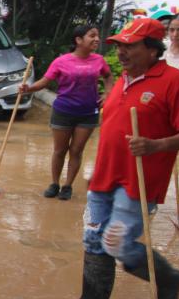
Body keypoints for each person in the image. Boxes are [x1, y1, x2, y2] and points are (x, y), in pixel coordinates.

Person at [50, 17, 179, 299]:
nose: (121, 52)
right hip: (105, 175)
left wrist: (156, 145)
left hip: (140, 179)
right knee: (94, 237)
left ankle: (169, 278)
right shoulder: (122, 80)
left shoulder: (175, 82)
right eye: (119, 46)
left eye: (129, 46)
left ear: (152, 50)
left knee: (117, 241)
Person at [20, 25, 114, 201]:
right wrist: (28, 88)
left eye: (97, 36)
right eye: (92, 36)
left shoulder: (99, 60)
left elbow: (108, 76)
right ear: (78, 40)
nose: (96, 39)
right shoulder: (61, 61)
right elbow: (45, 81)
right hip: (63, 110)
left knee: (77, 150)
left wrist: (108, 94)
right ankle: (54, 183)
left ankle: (67, 186)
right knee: (59, 150)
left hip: (88, 112)